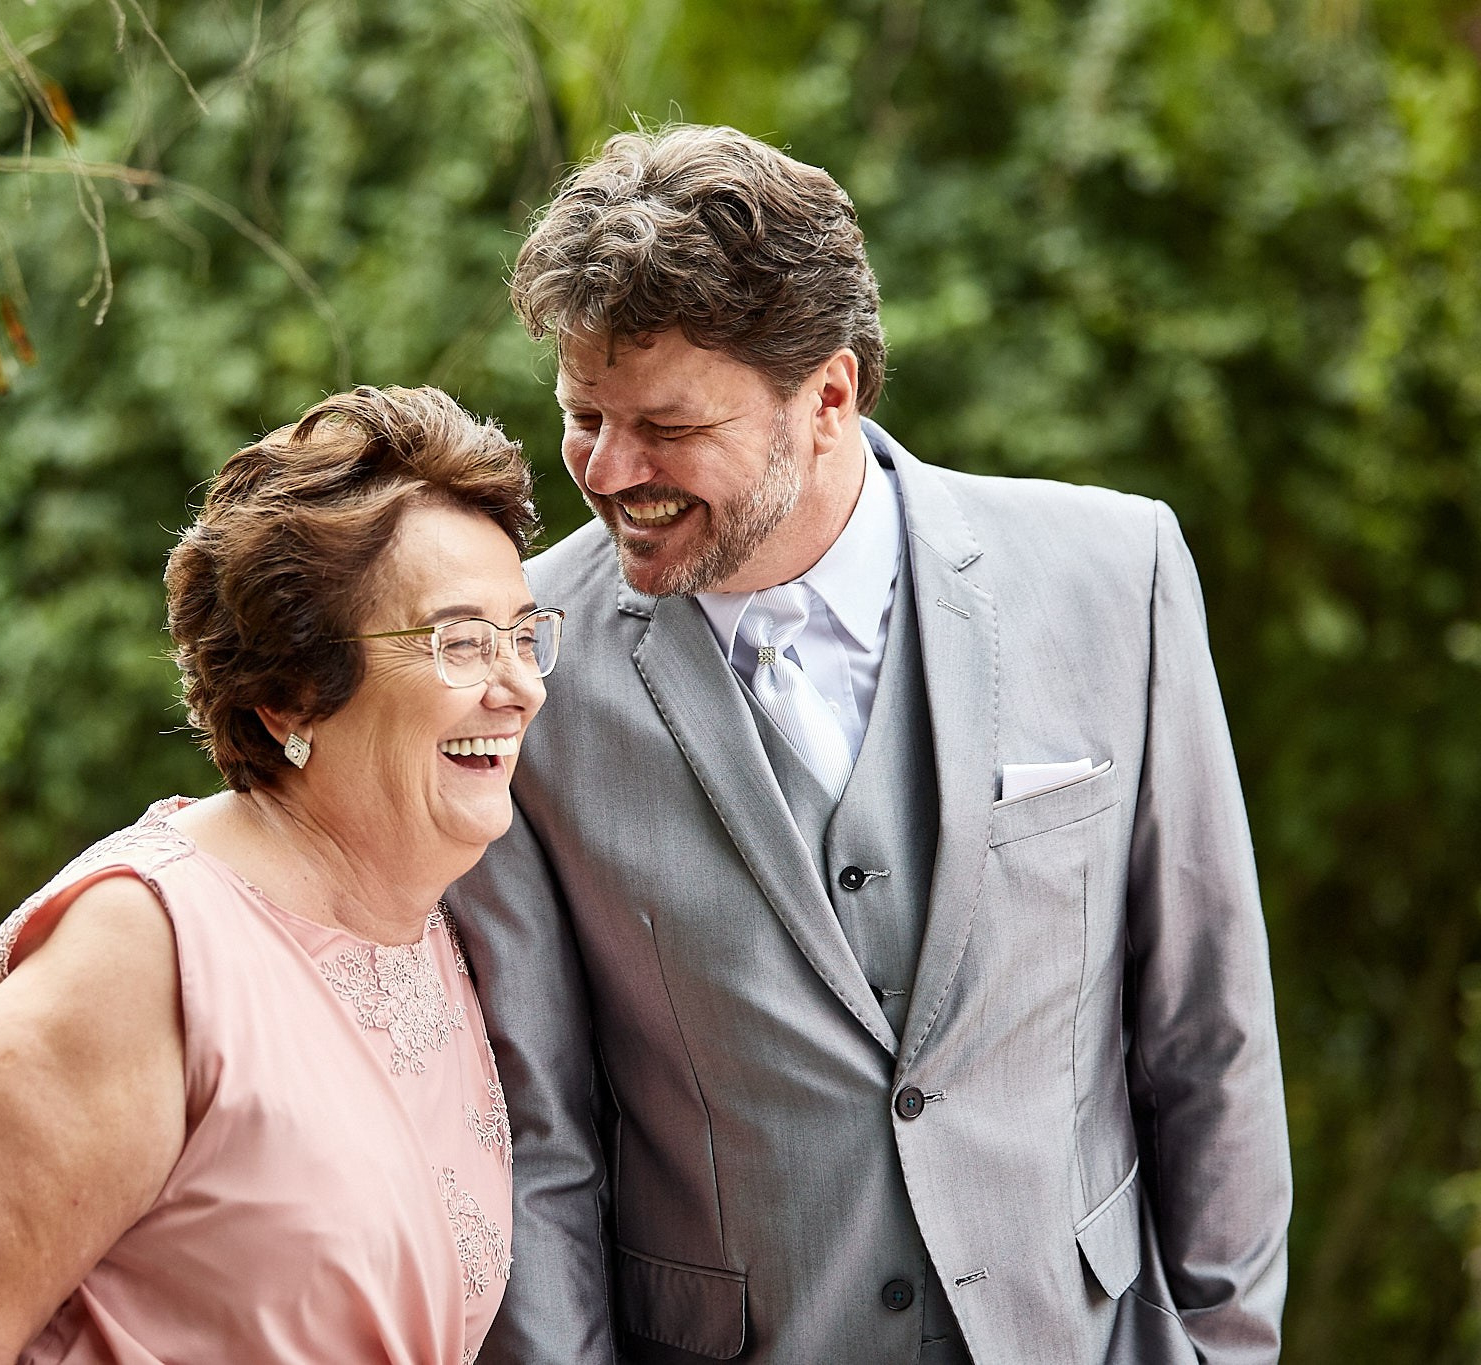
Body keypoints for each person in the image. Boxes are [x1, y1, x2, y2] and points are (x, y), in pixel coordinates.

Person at [447, 126, 1293, 1365]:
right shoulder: (522, 662)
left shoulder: (1115, 577)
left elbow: (1206, 1031)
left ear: (827, 397)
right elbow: (539, 1135)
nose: (609, 469)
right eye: (583, 417)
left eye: (667, 426)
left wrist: (1222, 1349)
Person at [0, 386, 562, 1365]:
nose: (518, 685)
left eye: (523, 635)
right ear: (292, 696)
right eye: (461, 641)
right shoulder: (141, 946)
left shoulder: (442, 942)